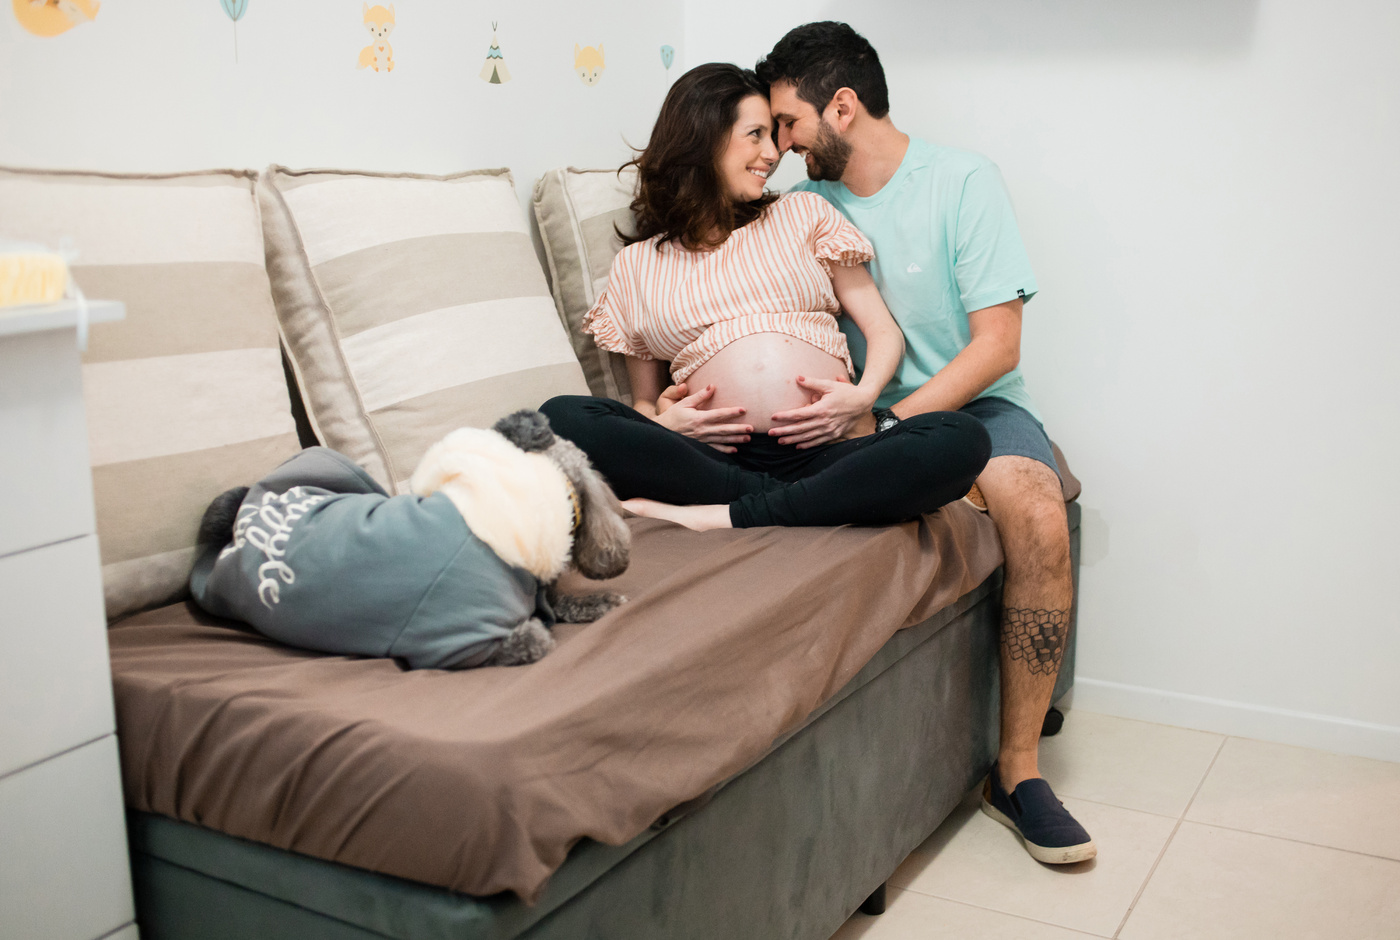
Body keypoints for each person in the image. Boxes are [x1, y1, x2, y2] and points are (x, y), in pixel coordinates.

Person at [755, 23, 1096, 864]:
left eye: (790, 123)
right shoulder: (800, 207)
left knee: (1038, 513)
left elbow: (997, 346)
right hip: (851, 420)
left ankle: (1017, 774)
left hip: (972, 409)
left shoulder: (963, 182)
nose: (783, 145)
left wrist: (895, 425)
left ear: (843, 107)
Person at [541, 63, 990, 529]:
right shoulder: (636, 265)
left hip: (826, 447)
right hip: (709, 459)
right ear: (703, 137)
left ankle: (727, 514)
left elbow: (883, 331)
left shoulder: (803, 212)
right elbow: (644, 401)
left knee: (959, 436)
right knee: (560, 418)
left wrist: (864, 396)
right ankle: (793, 503)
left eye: (773, 136)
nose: (774, 153)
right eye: (755, 134)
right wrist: (664, 425)